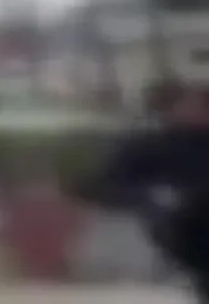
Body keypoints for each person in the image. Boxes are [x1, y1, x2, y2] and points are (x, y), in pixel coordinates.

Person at [79, 79, 209, 302]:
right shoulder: (148, 144)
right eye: (200, 104)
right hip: (181, 224)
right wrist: (155, 196)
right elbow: (104, 185)